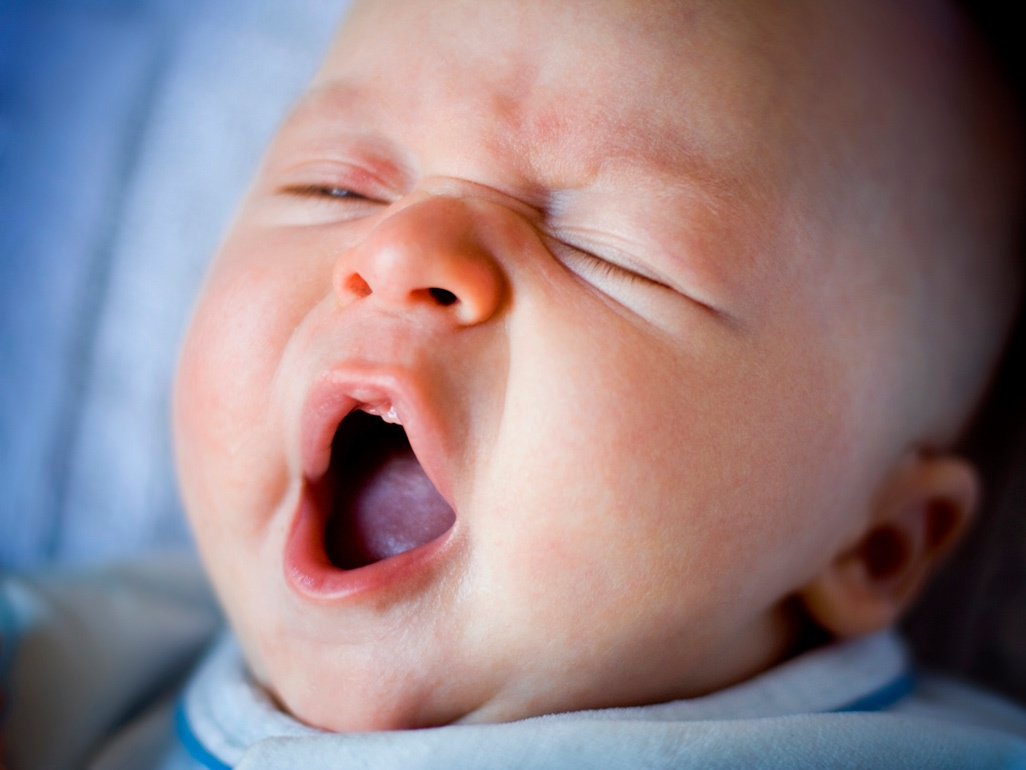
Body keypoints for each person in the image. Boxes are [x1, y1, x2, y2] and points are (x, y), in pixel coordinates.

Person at [3, 0, 1026, 766]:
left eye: (616, 251)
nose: (401, 248)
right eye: (336, 185)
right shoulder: (92, 659)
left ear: (875, 540)